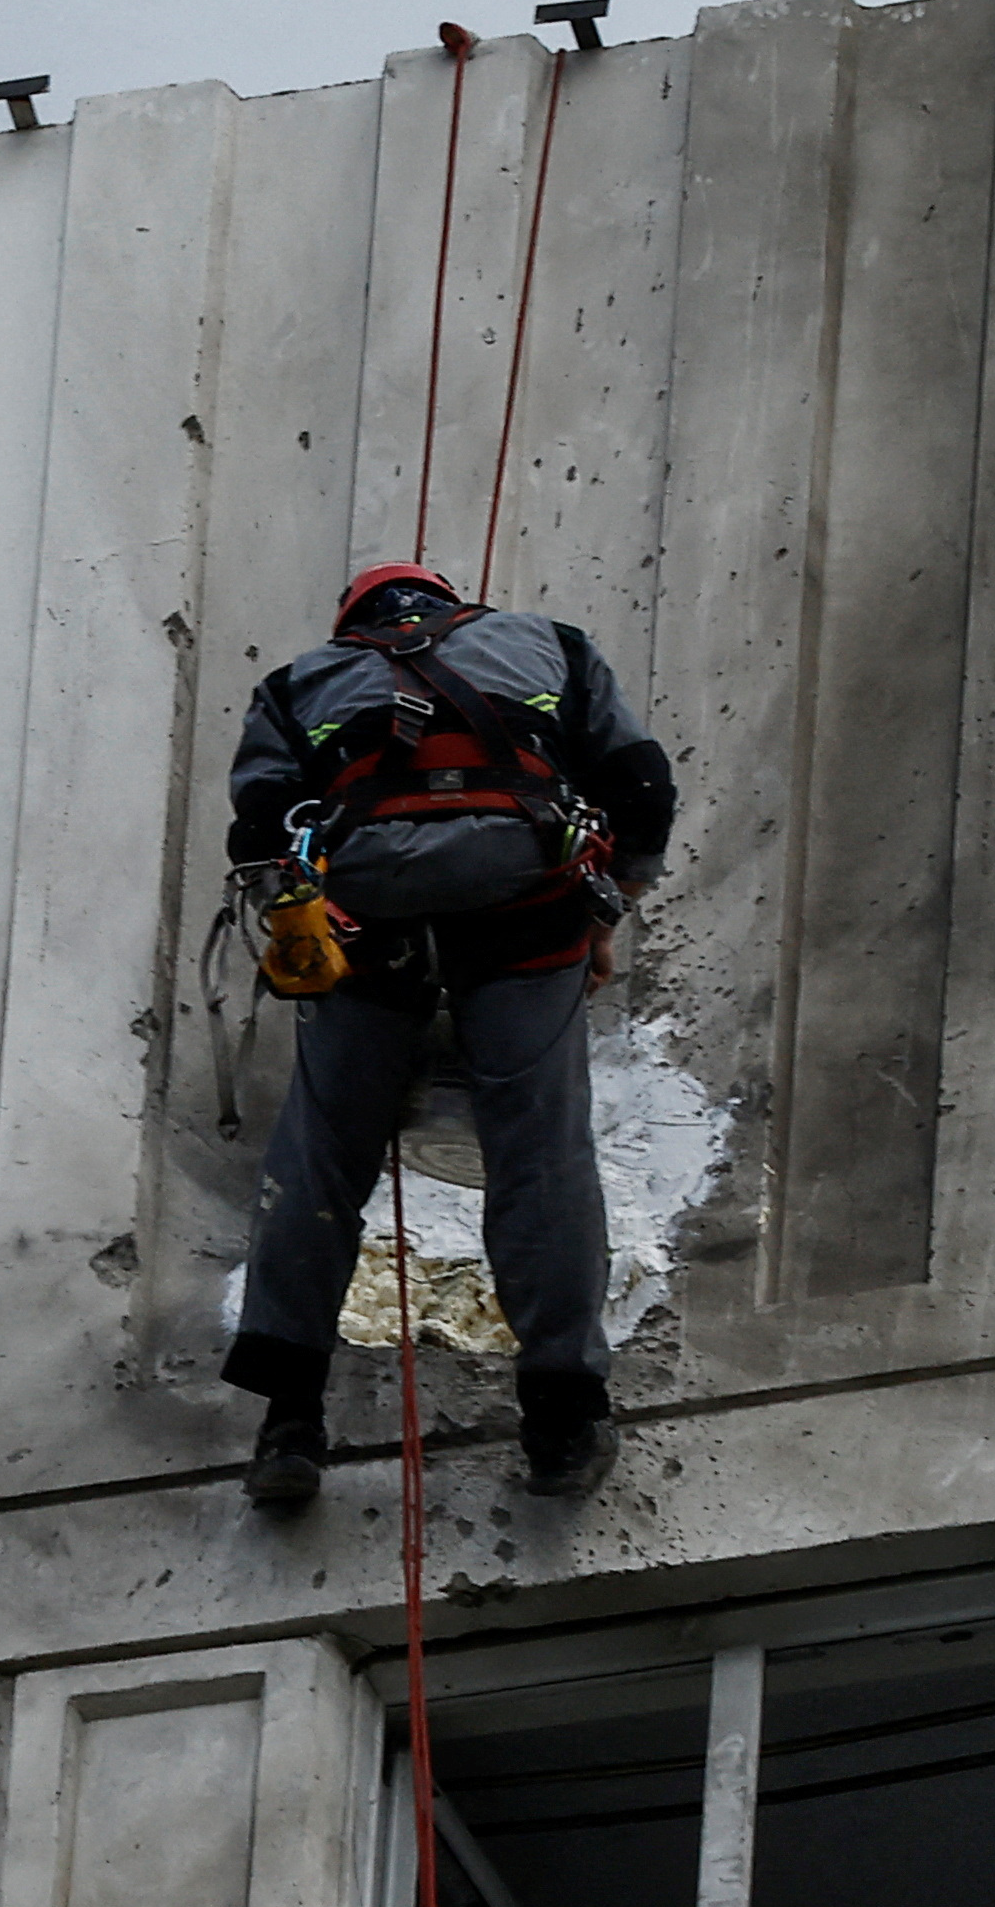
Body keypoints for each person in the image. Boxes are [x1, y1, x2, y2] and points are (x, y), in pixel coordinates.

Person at [221, 558, 676, 1506]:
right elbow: (640, 781)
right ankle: (561, 1414)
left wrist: (299, 921)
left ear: (355, 623)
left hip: (369, 920)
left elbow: (261, 827)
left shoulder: (300, 681)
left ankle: (290, 1420)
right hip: (525, 905)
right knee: (540, 1153)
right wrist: (602, 917)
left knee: (321, 1155)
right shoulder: (553, 644)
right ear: (452, 602)